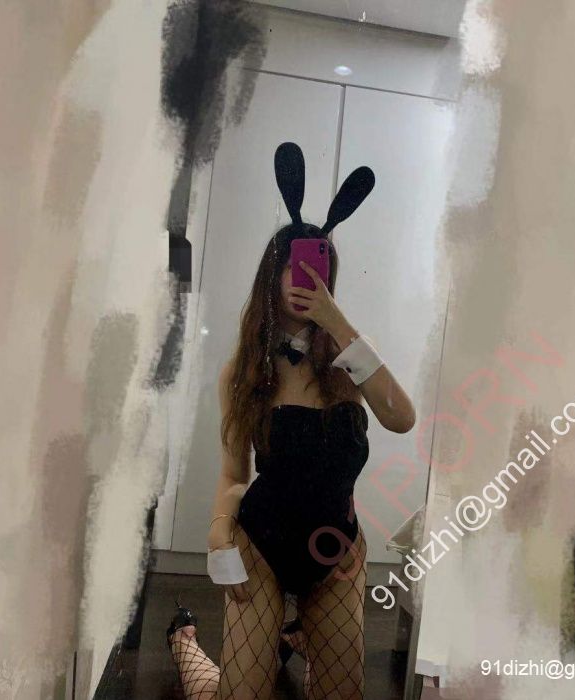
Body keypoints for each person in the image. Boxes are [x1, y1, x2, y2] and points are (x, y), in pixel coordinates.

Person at [166, 143, 416, 699]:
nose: (305, 278)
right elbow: (234, 473)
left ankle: (292, 633)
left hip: (336, 549)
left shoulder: (353, 359)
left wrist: (338, 322)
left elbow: (402, 418)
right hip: (263, 545)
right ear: (272, 274)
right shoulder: (244, 370)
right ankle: (185, 641)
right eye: (294, 266)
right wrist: (218, 530)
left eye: (319, 266)